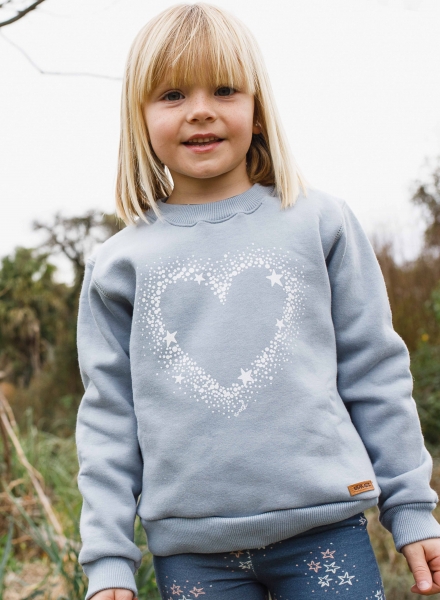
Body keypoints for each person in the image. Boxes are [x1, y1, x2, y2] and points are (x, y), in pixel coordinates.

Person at [75, 3, 440, 599]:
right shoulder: (118, 264)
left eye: (224, 90)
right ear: (139, 117)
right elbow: (108, 420)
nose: (200, 110)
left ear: (258, 108)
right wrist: (109, 559)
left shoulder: (320, 223)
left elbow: (374, 371)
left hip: (325, 530)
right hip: (193, 554)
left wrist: (412, 508)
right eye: (172, 95)